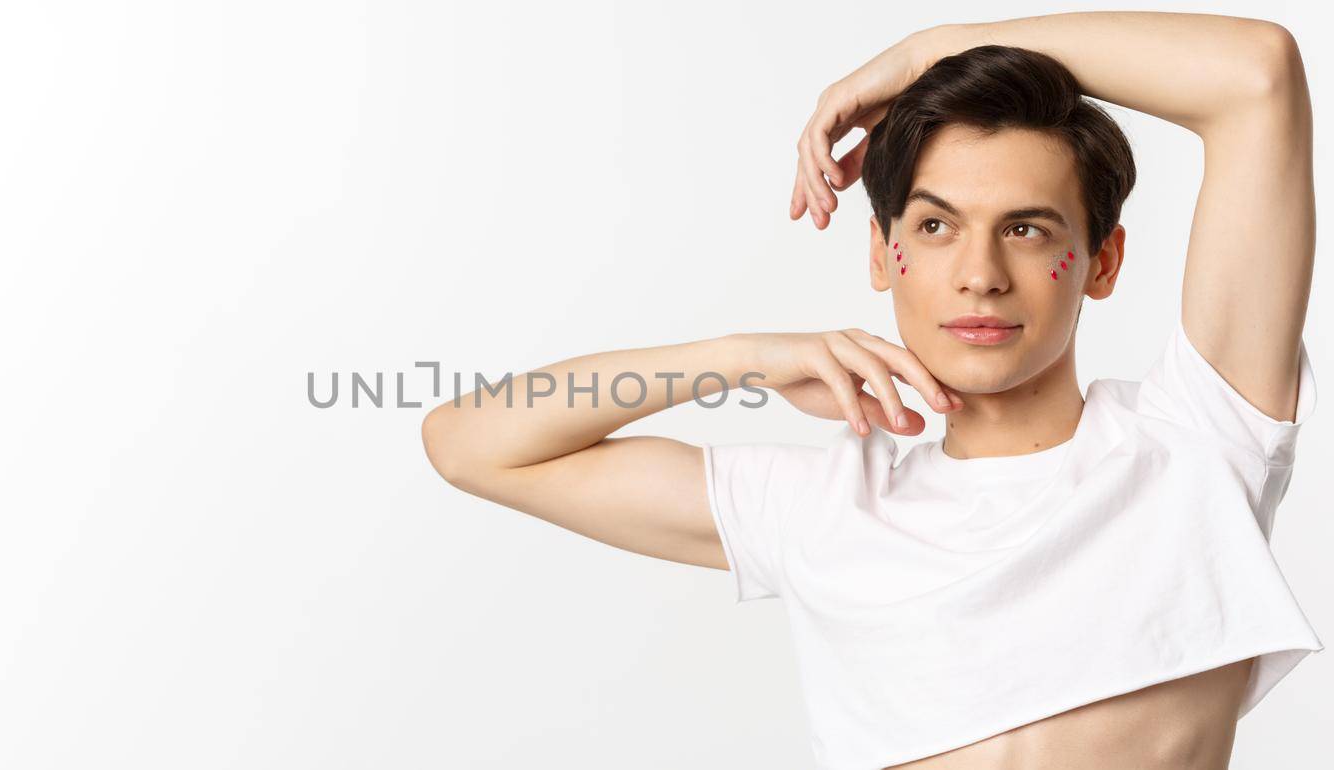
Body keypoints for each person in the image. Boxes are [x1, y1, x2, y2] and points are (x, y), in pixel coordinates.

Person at [420, 11, 1316, 769]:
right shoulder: (826, 507)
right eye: (935, 226)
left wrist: (939, 48)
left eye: (1028, 229)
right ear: (884, 255)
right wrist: (745, 356)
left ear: (1100, 262)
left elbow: (1257, 73)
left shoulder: (1198, 439)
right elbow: (470, 442)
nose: (979, 274)